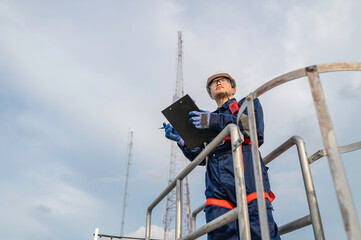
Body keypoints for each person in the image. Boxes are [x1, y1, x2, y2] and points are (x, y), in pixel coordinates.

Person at [163, 72, 280, 240]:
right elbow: (201, 157)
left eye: (223, 80)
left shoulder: (247, 104)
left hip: (248, 176)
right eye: (213, 83)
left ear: (233, 88)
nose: (218, 83)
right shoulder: (202, 121)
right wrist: (181, 140)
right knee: (220, 233)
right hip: (217, 185)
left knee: (260, 232)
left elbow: (252, 129)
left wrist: (212, 120)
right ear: (210, 94)